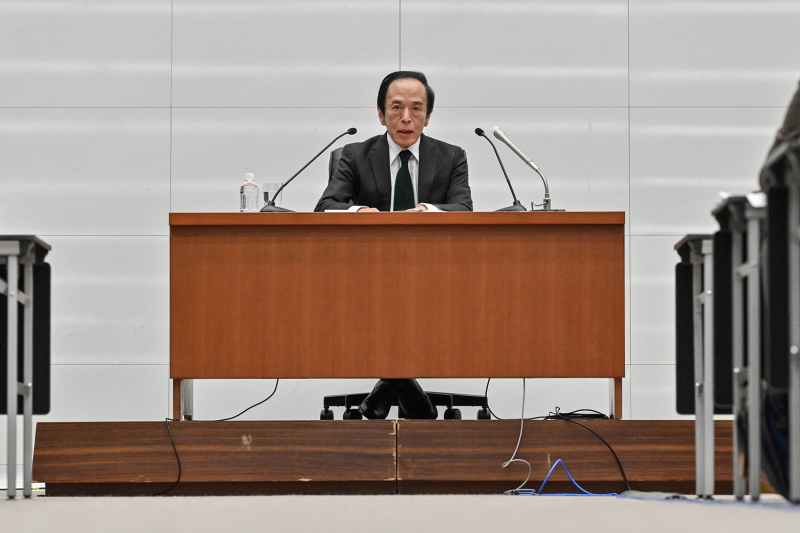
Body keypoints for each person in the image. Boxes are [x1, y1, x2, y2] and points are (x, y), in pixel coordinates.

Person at [314, 71, 473, 419]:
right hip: (366, 276)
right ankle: (407, 391)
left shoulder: (451, 157)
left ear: (428, 116)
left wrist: (427, 211)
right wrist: (359, 212)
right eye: (396, 107)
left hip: (433, 276)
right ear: (380, 113)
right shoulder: (354, 156)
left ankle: (388, 388)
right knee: (389, 300)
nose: (405, 118)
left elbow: (463, 209)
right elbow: (326, 208)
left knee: (416, 298)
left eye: (416, 109)